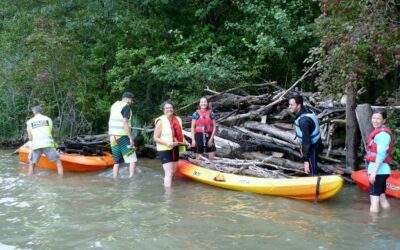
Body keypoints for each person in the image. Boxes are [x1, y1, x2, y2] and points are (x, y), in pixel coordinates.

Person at [153, 102, 190, 187]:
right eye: (167, 108)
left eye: (171, 108)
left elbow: (180, 135)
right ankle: (168, 196)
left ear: (173, 109)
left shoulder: (178, 119)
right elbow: (155, 138)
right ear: (164, 110)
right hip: (164, 149)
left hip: (175, 147)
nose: (169, 109)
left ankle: (168, 186)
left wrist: (186, 142)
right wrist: (167, 143)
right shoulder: (160, 121)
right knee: (169, 172)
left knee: (173, 171)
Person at [365, 109, 393, 213]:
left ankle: (373, 226)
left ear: (384, 120)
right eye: (373, 118)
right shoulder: (381, 133)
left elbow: (381, 154)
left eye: (378, 118)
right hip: (382, 171)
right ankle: (386, 217)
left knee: (374, 199)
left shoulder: (382, 135)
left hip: (379, 172)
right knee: (381, 197)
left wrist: (373, 173)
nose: (375, 120)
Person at [288, 95, 322, 176]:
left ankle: (316, 184)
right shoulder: (305, 111)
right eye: (289, 104)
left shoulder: (304, 121)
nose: (289, 107)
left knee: (311, 171)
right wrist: (301, 147)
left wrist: (306, 160)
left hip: (312, 148)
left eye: (292, 105)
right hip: (312, 145)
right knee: (310, 169)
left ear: (299, 105)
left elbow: (307, 141)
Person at [26, 106, 63, 176]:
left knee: (31, 163)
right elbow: (52, 132)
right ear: (41, 111)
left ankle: (30, 180)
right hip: (48, 144)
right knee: (58, 162)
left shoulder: (29, 122)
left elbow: (30, 138)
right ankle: (61, 179)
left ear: (33, 112)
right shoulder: (48, 119)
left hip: (36, 145)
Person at [108, 92, 137, 178]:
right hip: (122, 135)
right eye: (132, 100)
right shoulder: (126, 107)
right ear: (127, 98)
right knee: (133, 159)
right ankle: (132, 181)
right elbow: (125, 122)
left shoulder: (114, 105)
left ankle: (115, 180)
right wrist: (130, 138)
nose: (132, 102)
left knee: (117, 162)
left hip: (112, 136)